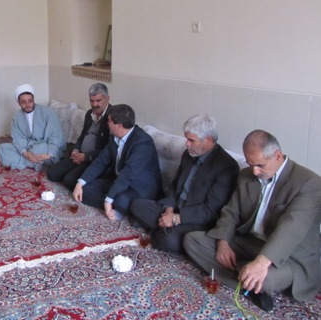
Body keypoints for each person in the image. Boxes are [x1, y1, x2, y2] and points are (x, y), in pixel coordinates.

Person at [184, 130, 321, 311]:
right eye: (250, 164)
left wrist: (261, 263)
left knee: (265, 280)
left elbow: (291, 228)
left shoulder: (309, 182)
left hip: (290, 256)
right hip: (250, 242)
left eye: (260, 165)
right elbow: (231, 211)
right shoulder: (247, 175)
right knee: (192, 240)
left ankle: (248, 279)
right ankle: (247, 281)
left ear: (277, 156)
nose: (255, 171)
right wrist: (223, 243)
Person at [130, 114, 239, 253]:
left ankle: (162, 232)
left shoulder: (226, 166)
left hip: (195, 220)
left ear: (208, 140)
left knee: (169, 240)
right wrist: (169, 209)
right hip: (175, 209)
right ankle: (163, 230)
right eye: (187, 139)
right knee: (137, 205)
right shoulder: (189, 155)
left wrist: (176, 218)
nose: (187, 144)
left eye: (191, 140)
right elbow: (175, 185)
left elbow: (211, 211)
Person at [72, 104, 161, 220]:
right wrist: (80, 184)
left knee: (121, 200)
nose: (107, 123)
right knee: (85, 189)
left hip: (139, 187)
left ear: (119, 125)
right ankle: (114, 206)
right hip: (119, 180)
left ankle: (114, 204)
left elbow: (128, 174)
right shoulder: (114, 137)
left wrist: (109, 199)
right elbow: (100, 162)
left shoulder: (143, 143)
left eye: (109, 121)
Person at [47, 83, 112, 190]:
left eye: (98, 100)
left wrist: (86, 157)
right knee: (52, 174)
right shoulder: (90, 114)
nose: (94, 105)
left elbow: (108, 150)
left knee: (69, 181)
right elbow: (82, 136)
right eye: (91, 101)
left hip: (93, 160)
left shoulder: (112, 118)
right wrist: (75, 150)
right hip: (79, 155)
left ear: (107, 99)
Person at [0, 84, 66, 170]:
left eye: (30, 101)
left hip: (46, 146)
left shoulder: (48, 112)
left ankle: (21, 162)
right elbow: (18, 137)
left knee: (38, 150)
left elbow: (55, 136)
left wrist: (48, 155)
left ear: (34, 100)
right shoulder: (17, 117)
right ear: (19, 103)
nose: (27, 104)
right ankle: (35, 164)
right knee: (2, 148)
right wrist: (25, 153)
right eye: (23, 102)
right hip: (28, 146)